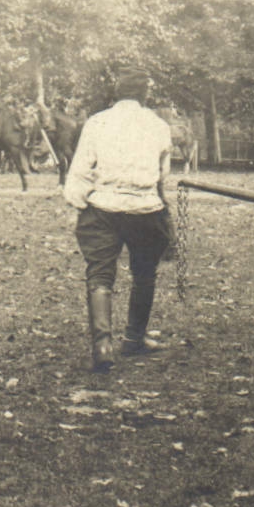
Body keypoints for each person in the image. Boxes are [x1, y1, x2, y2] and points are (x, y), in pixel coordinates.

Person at [63, 67, 174, 373]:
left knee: (99, 274)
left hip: (103, 207)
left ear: (117, 92)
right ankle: (134, 338)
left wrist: (79, 200)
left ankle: (102, 345)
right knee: (144, 273)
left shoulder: (97, 122)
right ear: (144, 94)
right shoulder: (159, 126)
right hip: (145, 208)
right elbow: (163, 173)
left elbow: (81, 169)